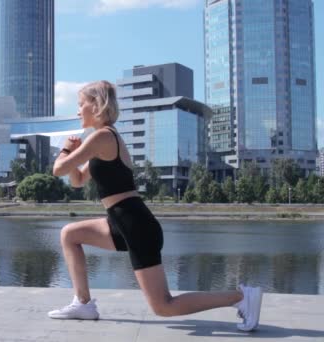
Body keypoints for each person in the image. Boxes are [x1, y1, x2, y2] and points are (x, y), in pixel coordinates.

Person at [47, 80, 262, 332]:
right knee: (70, 234)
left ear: (95, 105)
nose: (77, 110)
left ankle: (240, 297)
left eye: (80, 104)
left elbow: (58, 169)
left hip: (135, 224)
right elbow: (77, 181)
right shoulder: (99, 140)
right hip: (121, 221)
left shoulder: (103, 136)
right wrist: (73, 155)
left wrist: (64, 150)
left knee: (163, 306)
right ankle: (83, 303)